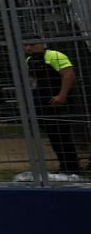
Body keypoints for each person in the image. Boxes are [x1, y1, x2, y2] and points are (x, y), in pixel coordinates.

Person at [25, 39, 83, 173]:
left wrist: (61, 96)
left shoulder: (54, 55)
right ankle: (64, 165)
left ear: (42, 44)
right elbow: (34, 81)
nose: (28, 47)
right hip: (43, 101)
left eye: (32, 44)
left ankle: (72, 167)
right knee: (53, 134)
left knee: (62, 134)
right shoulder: (29, 60)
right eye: (26, 45)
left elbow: (69, 75)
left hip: (58, 99)